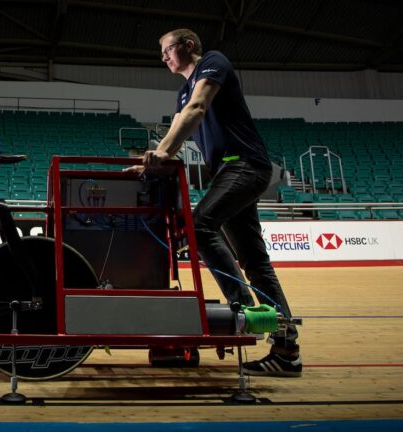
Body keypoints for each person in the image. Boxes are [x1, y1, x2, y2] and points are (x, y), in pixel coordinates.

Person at [129, 29, 301, 377]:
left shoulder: (213, 62)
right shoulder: (181, 93)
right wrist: (158, 157)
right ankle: (287, 349)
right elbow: (181, 120)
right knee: (253, 259)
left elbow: (198, 106)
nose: (162, 57)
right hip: (229, 170)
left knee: (200, 226)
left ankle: (243, 310)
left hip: (244, 165)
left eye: (166, 49)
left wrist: (162, 153)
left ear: (187, 46)